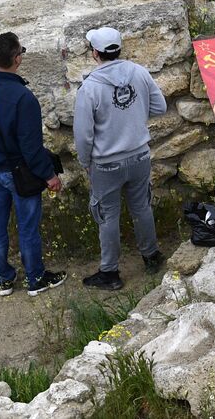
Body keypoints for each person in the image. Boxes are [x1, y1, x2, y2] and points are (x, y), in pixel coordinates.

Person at [0, 32, 65, 298]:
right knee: (27, 228)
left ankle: (4, 280)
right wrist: (49, 175)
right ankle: (35, 279)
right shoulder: (24, 98)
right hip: (19, 172)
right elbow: (31, 147)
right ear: (17, 59)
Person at [74, 27, 167, 292]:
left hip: (106, 162)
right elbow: (160, 106)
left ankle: (110, 272)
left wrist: (85, 162)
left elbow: (83, 134)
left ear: (95, 53)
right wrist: (133, 115)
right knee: (142, 207)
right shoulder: (139, 72)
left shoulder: (90, 87)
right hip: (139, 154)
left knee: (108, 216)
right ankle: (151, 256)